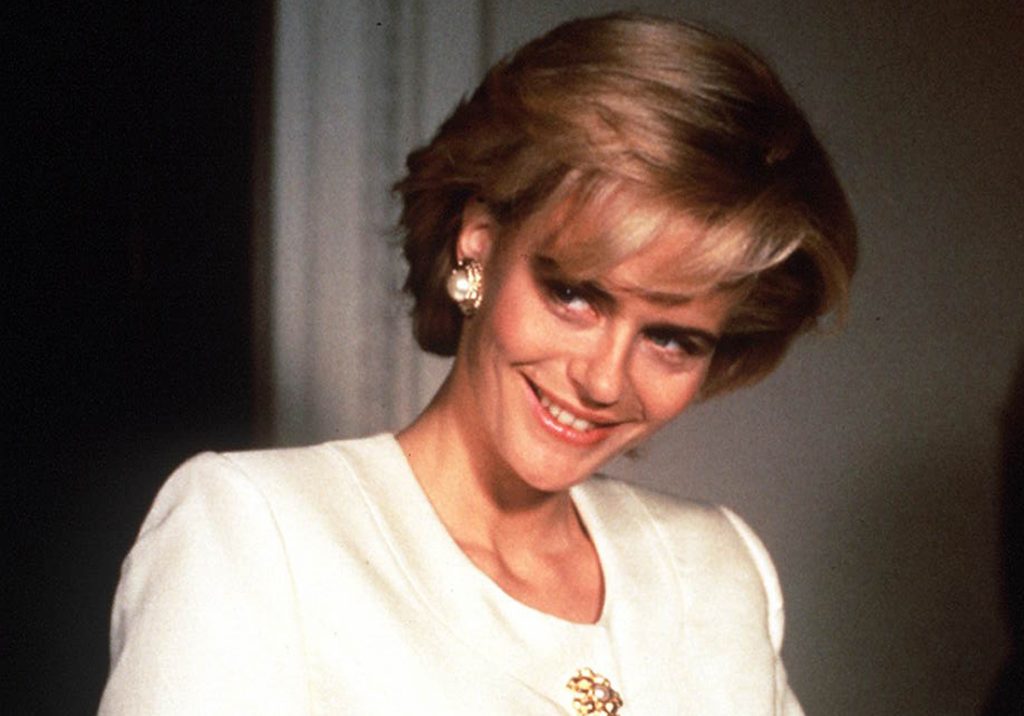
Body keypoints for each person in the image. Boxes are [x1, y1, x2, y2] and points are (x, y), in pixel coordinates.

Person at [99, 12, 855, 715]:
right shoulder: (257, 533)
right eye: (574, 295)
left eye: (672, 339)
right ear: (479, 246)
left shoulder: (719, 567)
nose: (602, 380)